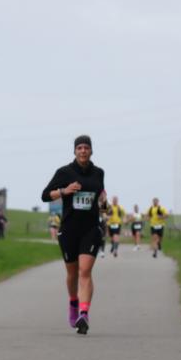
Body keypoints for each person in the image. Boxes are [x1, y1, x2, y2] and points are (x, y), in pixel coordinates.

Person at [41, 135, 107, 334]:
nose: (83, 151)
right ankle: (73, 302)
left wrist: (104, 204)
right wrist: (64, 190)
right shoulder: (64, 172)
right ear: (75, 151)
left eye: (86, 147)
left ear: (91, 151)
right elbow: (45, 195)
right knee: (72, 273)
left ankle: (84, 314)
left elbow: (101, 196)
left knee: (85, 272)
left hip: (90, 229)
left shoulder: (98, 173)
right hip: (69, 229)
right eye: (80, 147)